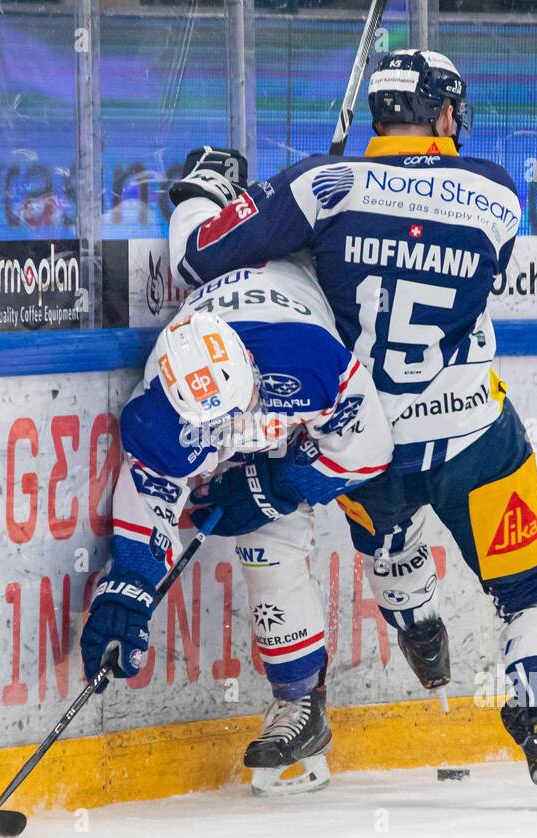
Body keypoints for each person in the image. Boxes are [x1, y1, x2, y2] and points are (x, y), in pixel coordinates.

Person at [163, 50, 537, 806]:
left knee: (388, 545)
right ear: (444, 115)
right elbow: (439, 245)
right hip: (470, 434)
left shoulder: (321, 183)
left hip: (364, 442)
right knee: (533, 587)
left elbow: (196, 258)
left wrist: (222, 197)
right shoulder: (496, 193)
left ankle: (412, 619)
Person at [80, 254, 394, 795]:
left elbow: (369, 448)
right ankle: (301, 704)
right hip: (231, 337)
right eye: (218, 422)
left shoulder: (309, 357)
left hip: (298, 311)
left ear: (248, 361)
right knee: (264, 545)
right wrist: (125, 592)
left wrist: (277, 488)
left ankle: (323, 683)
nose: (240, 425)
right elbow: (151, 497)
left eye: (242, 403)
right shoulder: (159, 414)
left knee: (373, 510)